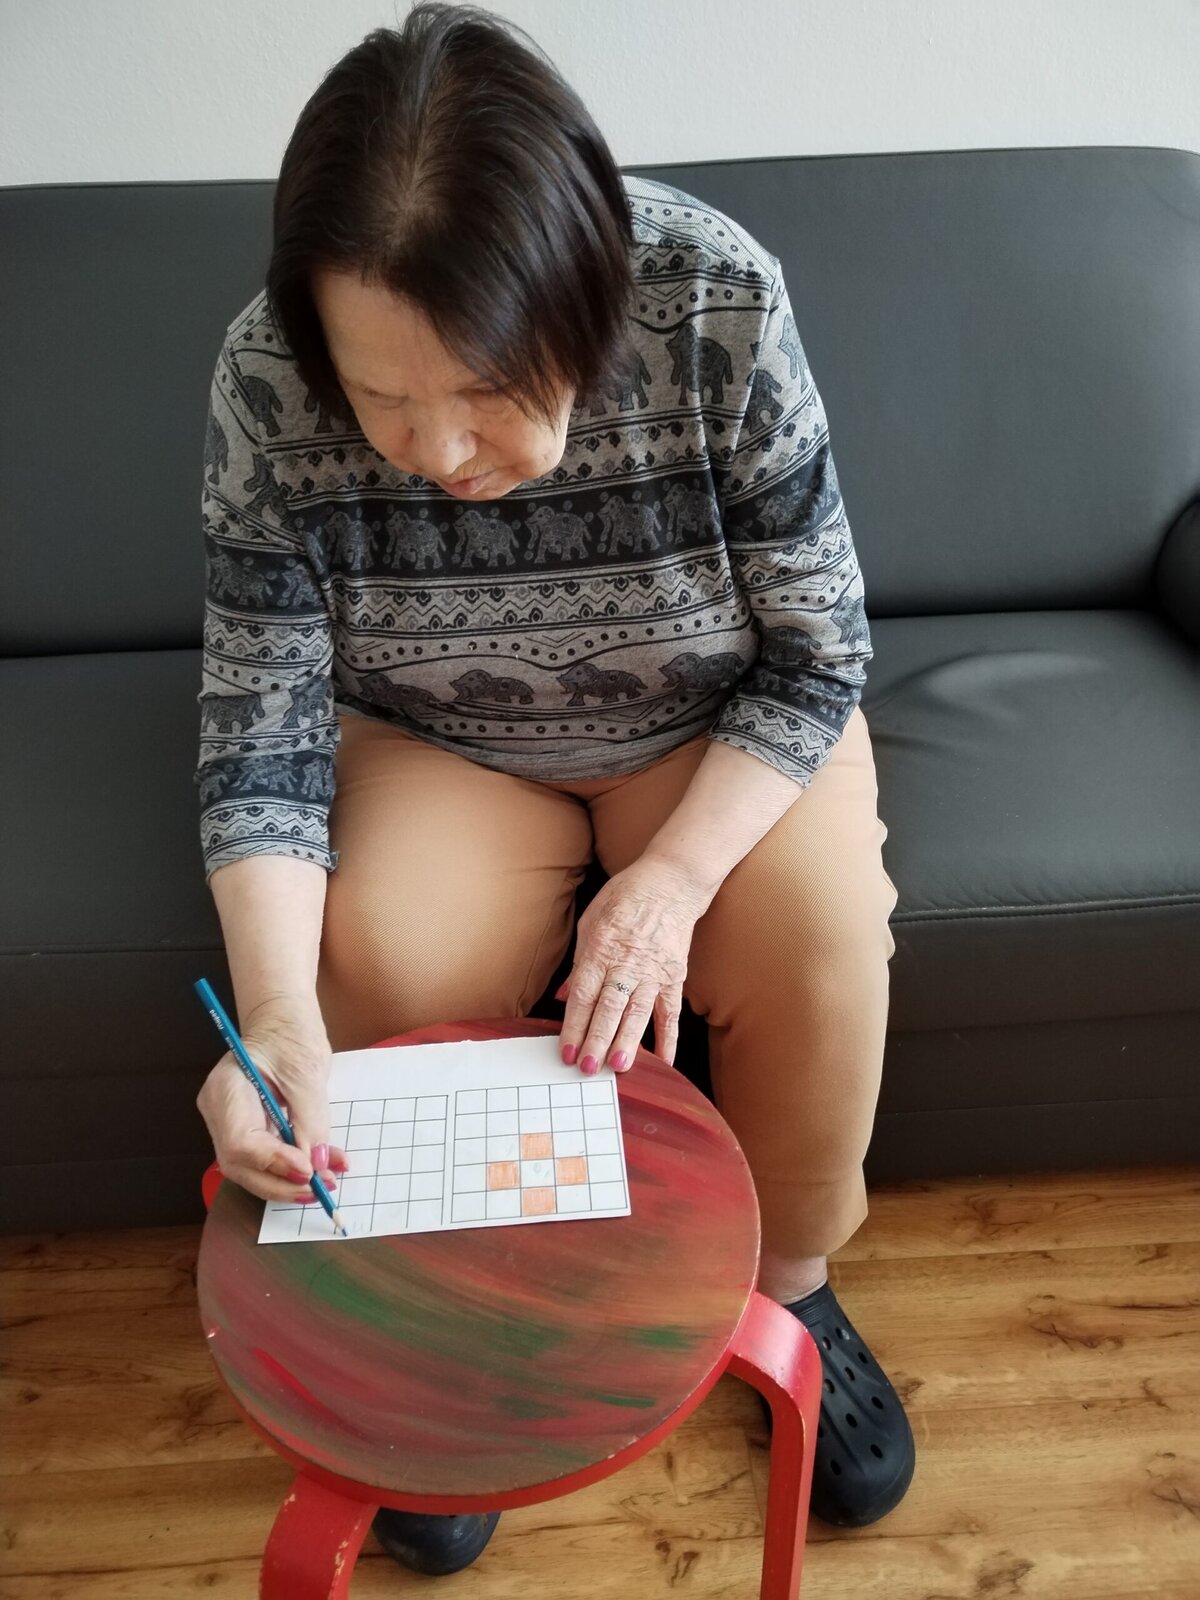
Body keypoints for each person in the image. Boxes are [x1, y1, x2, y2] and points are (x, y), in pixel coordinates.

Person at [194, 1, 912, 1574]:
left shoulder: (716, 294)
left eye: (487, 391)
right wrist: (282, 1023)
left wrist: (670, 885)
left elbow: (822, 649)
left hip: (714, 721)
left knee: (816, 937)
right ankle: (453, 1313)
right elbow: (262, 728)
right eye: (386, 400)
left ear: (590, 299)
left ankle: (792, 1282)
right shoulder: (262, 375)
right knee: (378, 957)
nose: (440, 450)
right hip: (438, 738)